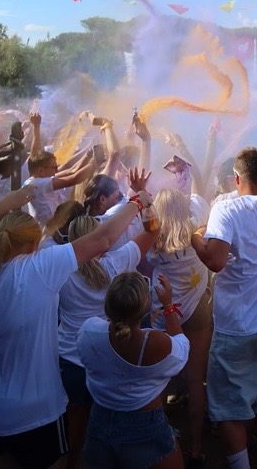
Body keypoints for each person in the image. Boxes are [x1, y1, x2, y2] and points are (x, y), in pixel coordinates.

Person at [0, 174, 150, 469]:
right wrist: (138, 201)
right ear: (31, 246)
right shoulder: (40, 267)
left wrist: (8, 202)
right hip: (35, 414)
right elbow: (103, 239)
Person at [189, 82, 257, 469]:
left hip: (235, 328)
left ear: (237, 179)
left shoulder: (226, 209)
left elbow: (216, 261)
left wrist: (194, 237)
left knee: (232, 409)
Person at [52, 170, 155, 468]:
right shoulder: (117, 261)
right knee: (105, 425)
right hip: (104, 355)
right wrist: (143, 201)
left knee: (73, 426)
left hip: (69, 359)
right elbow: (153, 231)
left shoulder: (60, 269)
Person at [77, 272, 189, 469]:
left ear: (108, 304)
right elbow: (182, 348)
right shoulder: (154, 343)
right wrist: (168, 306)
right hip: (145, 427)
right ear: (145, 308)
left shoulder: (89, 330)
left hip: (100, 418)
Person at [148, 188, 214, 466]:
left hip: (164, 311)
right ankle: (196, 449)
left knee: (158, 382)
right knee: (195, 380)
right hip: (198, 308)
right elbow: (201, 197)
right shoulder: (195, 223)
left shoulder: (153, 235)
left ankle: (159, 446)